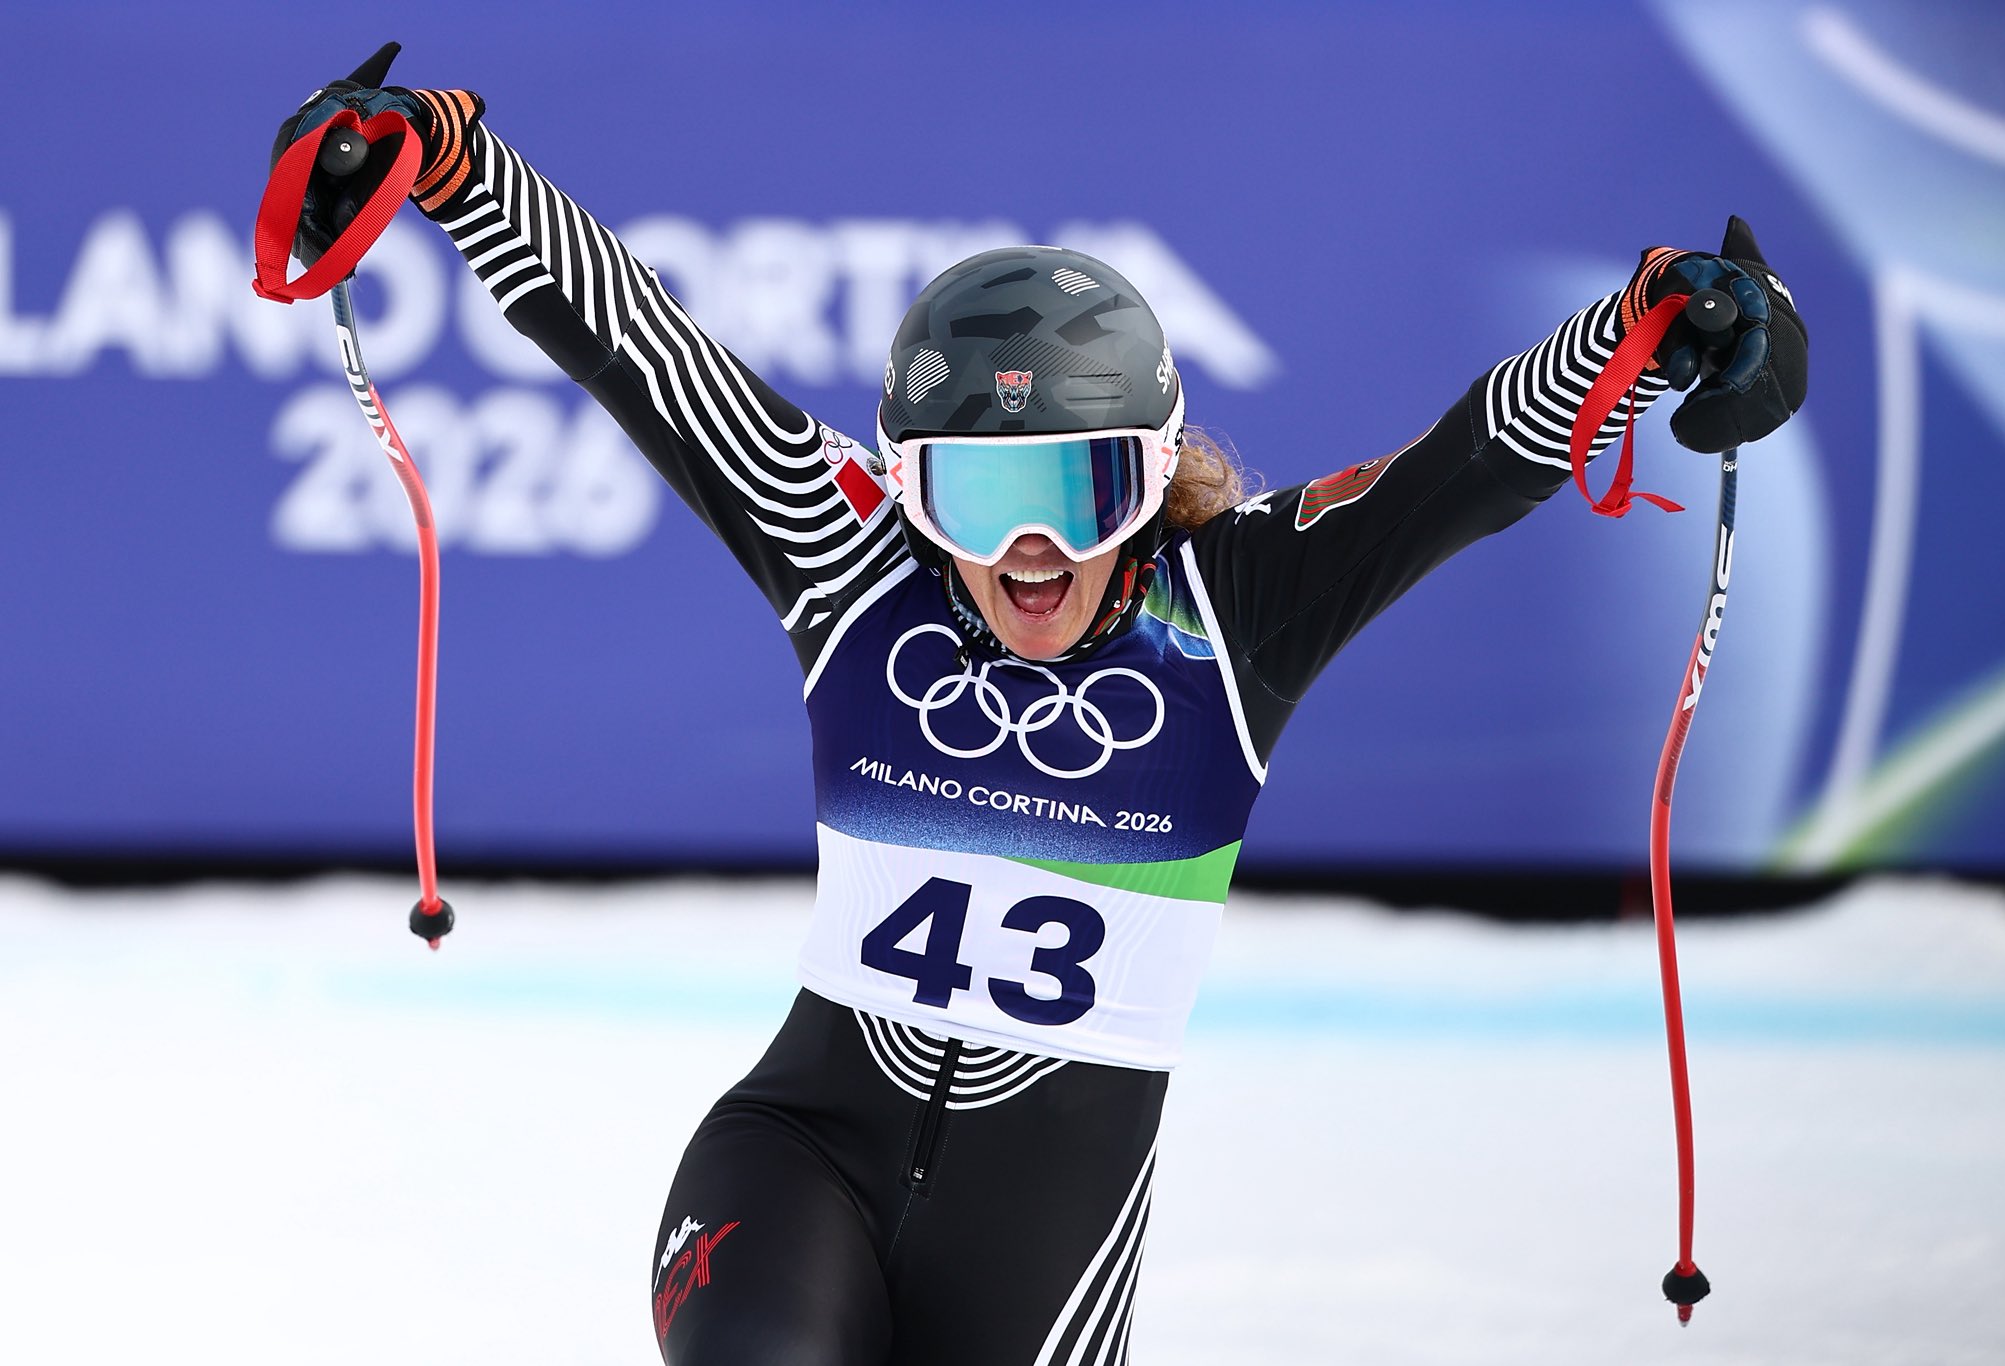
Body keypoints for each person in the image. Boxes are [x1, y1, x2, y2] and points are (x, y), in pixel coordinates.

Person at [274, 46, 1806, 1366]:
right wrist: (454, 161)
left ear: (1148, 477)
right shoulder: (851, 563)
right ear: (909, 490)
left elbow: (1456, 468)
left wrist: (1651, 322)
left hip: (1042, 1259)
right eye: (977, 489)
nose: (1029, 547)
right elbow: (647, 349)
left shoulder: (1235, 618)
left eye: (1077, 487)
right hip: (798, 1157)